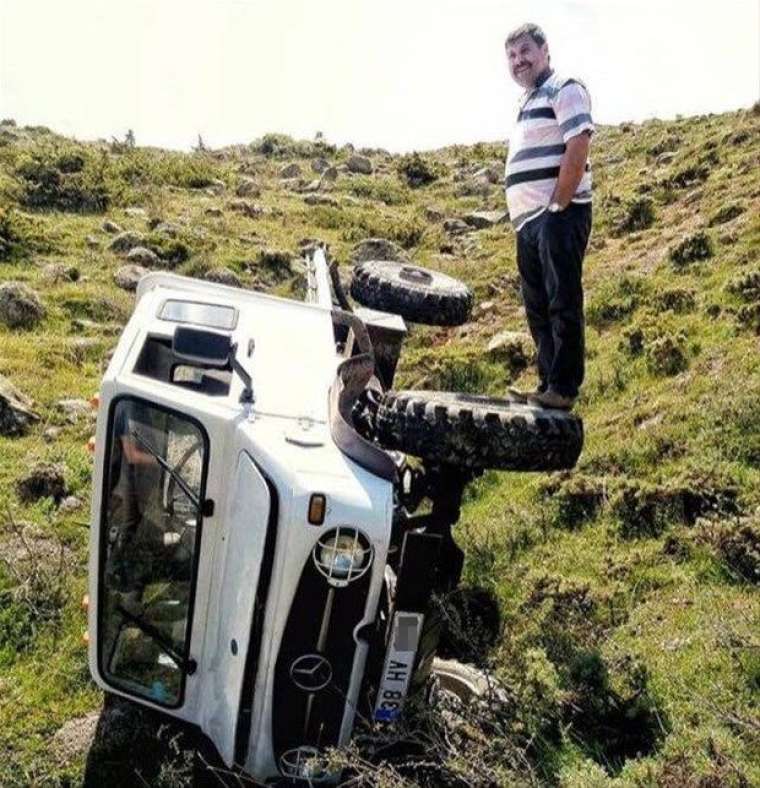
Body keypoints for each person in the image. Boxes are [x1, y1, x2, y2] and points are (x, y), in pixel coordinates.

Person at [503, 23, 594, 410]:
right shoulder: (526, 101)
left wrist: (558, 204)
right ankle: (547, 385)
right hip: (529, 224)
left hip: (558, 215)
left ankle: (564, 387)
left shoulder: (564, 87)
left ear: (545, 51)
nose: (518, 61)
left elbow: (578, 142)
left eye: (525, 51)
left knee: (561, 300)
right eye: (511, 56)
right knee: (537, 306)